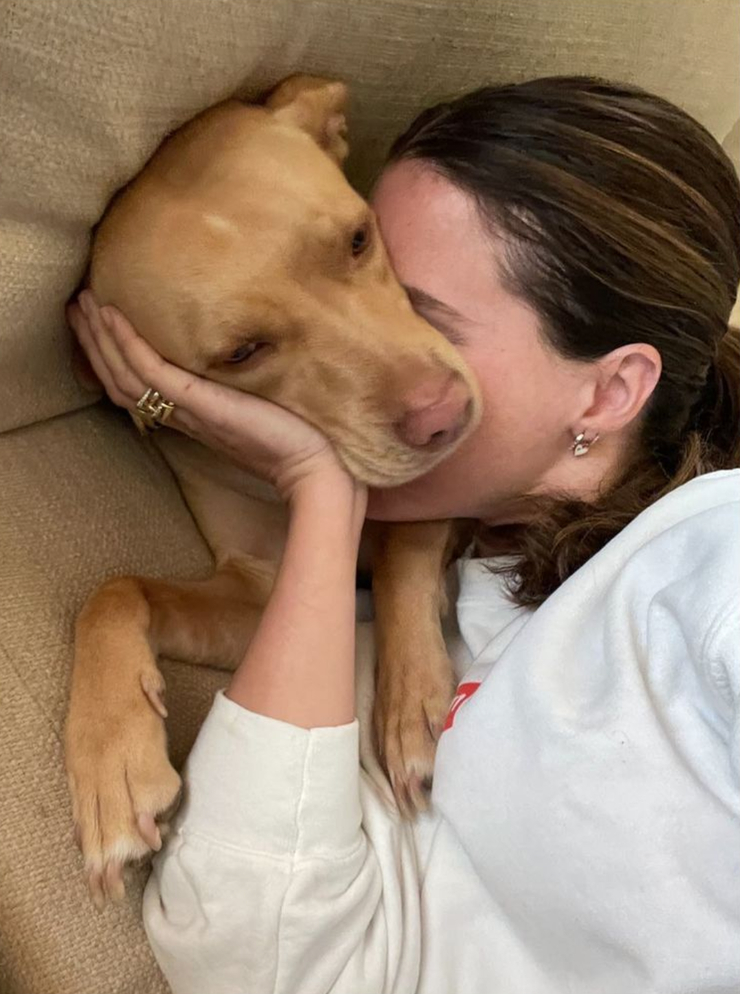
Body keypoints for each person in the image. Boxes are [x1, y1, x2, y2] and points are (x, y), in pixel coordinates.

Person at [68, 77, 740, 994]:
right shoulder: (466, 598)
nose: (412, 383)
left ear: (611, 391)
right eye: (246, 350)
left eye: (357, 251)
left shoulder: (711, 562)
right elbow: (252, 951)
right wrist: (321, 495)